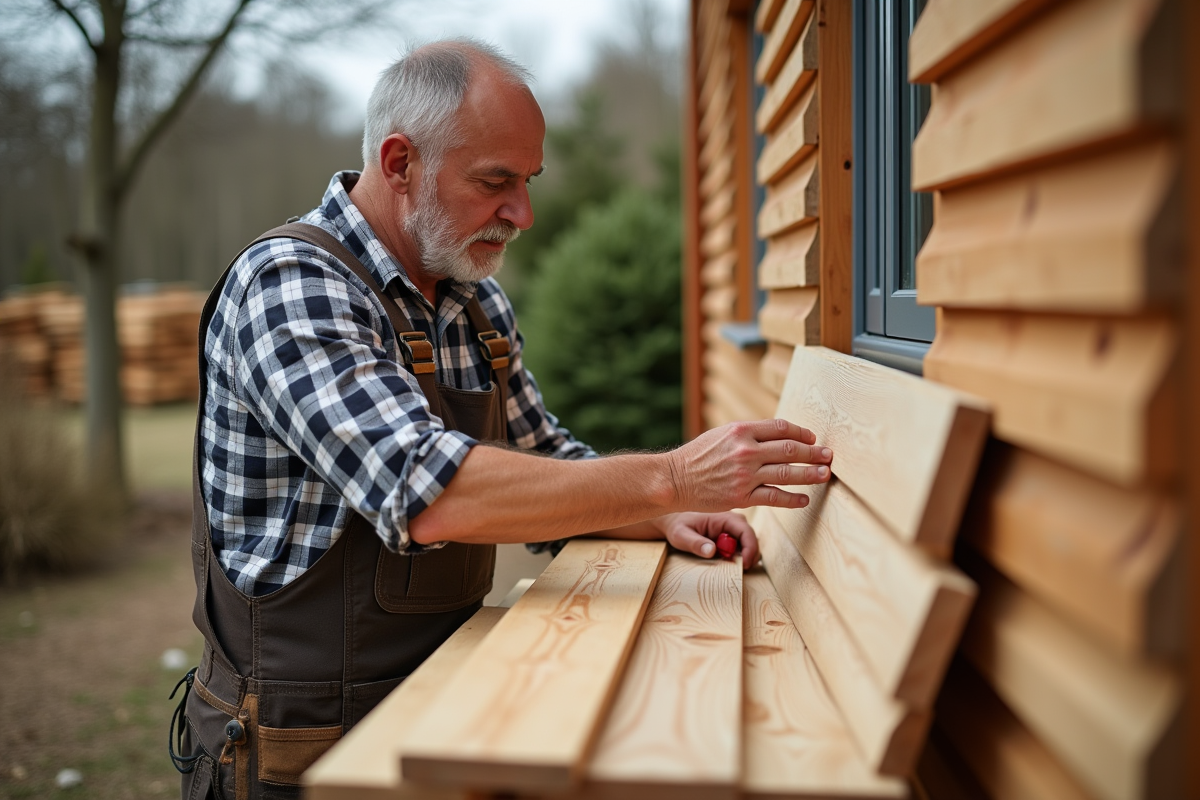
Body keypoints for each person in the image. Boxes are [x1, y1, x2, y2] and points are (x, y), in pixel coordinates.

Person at [172, 39, 833, 800]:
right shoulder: (291, 286)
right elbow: (429, 494)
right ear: (399, 164)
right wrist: (669, 475)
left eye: (528, 181)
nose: (521, 213)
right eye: (496, 182)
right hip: (300, 744)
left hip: (449, 699)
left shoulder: (474, 301)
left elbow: (541, 455)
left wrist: (661, 514)